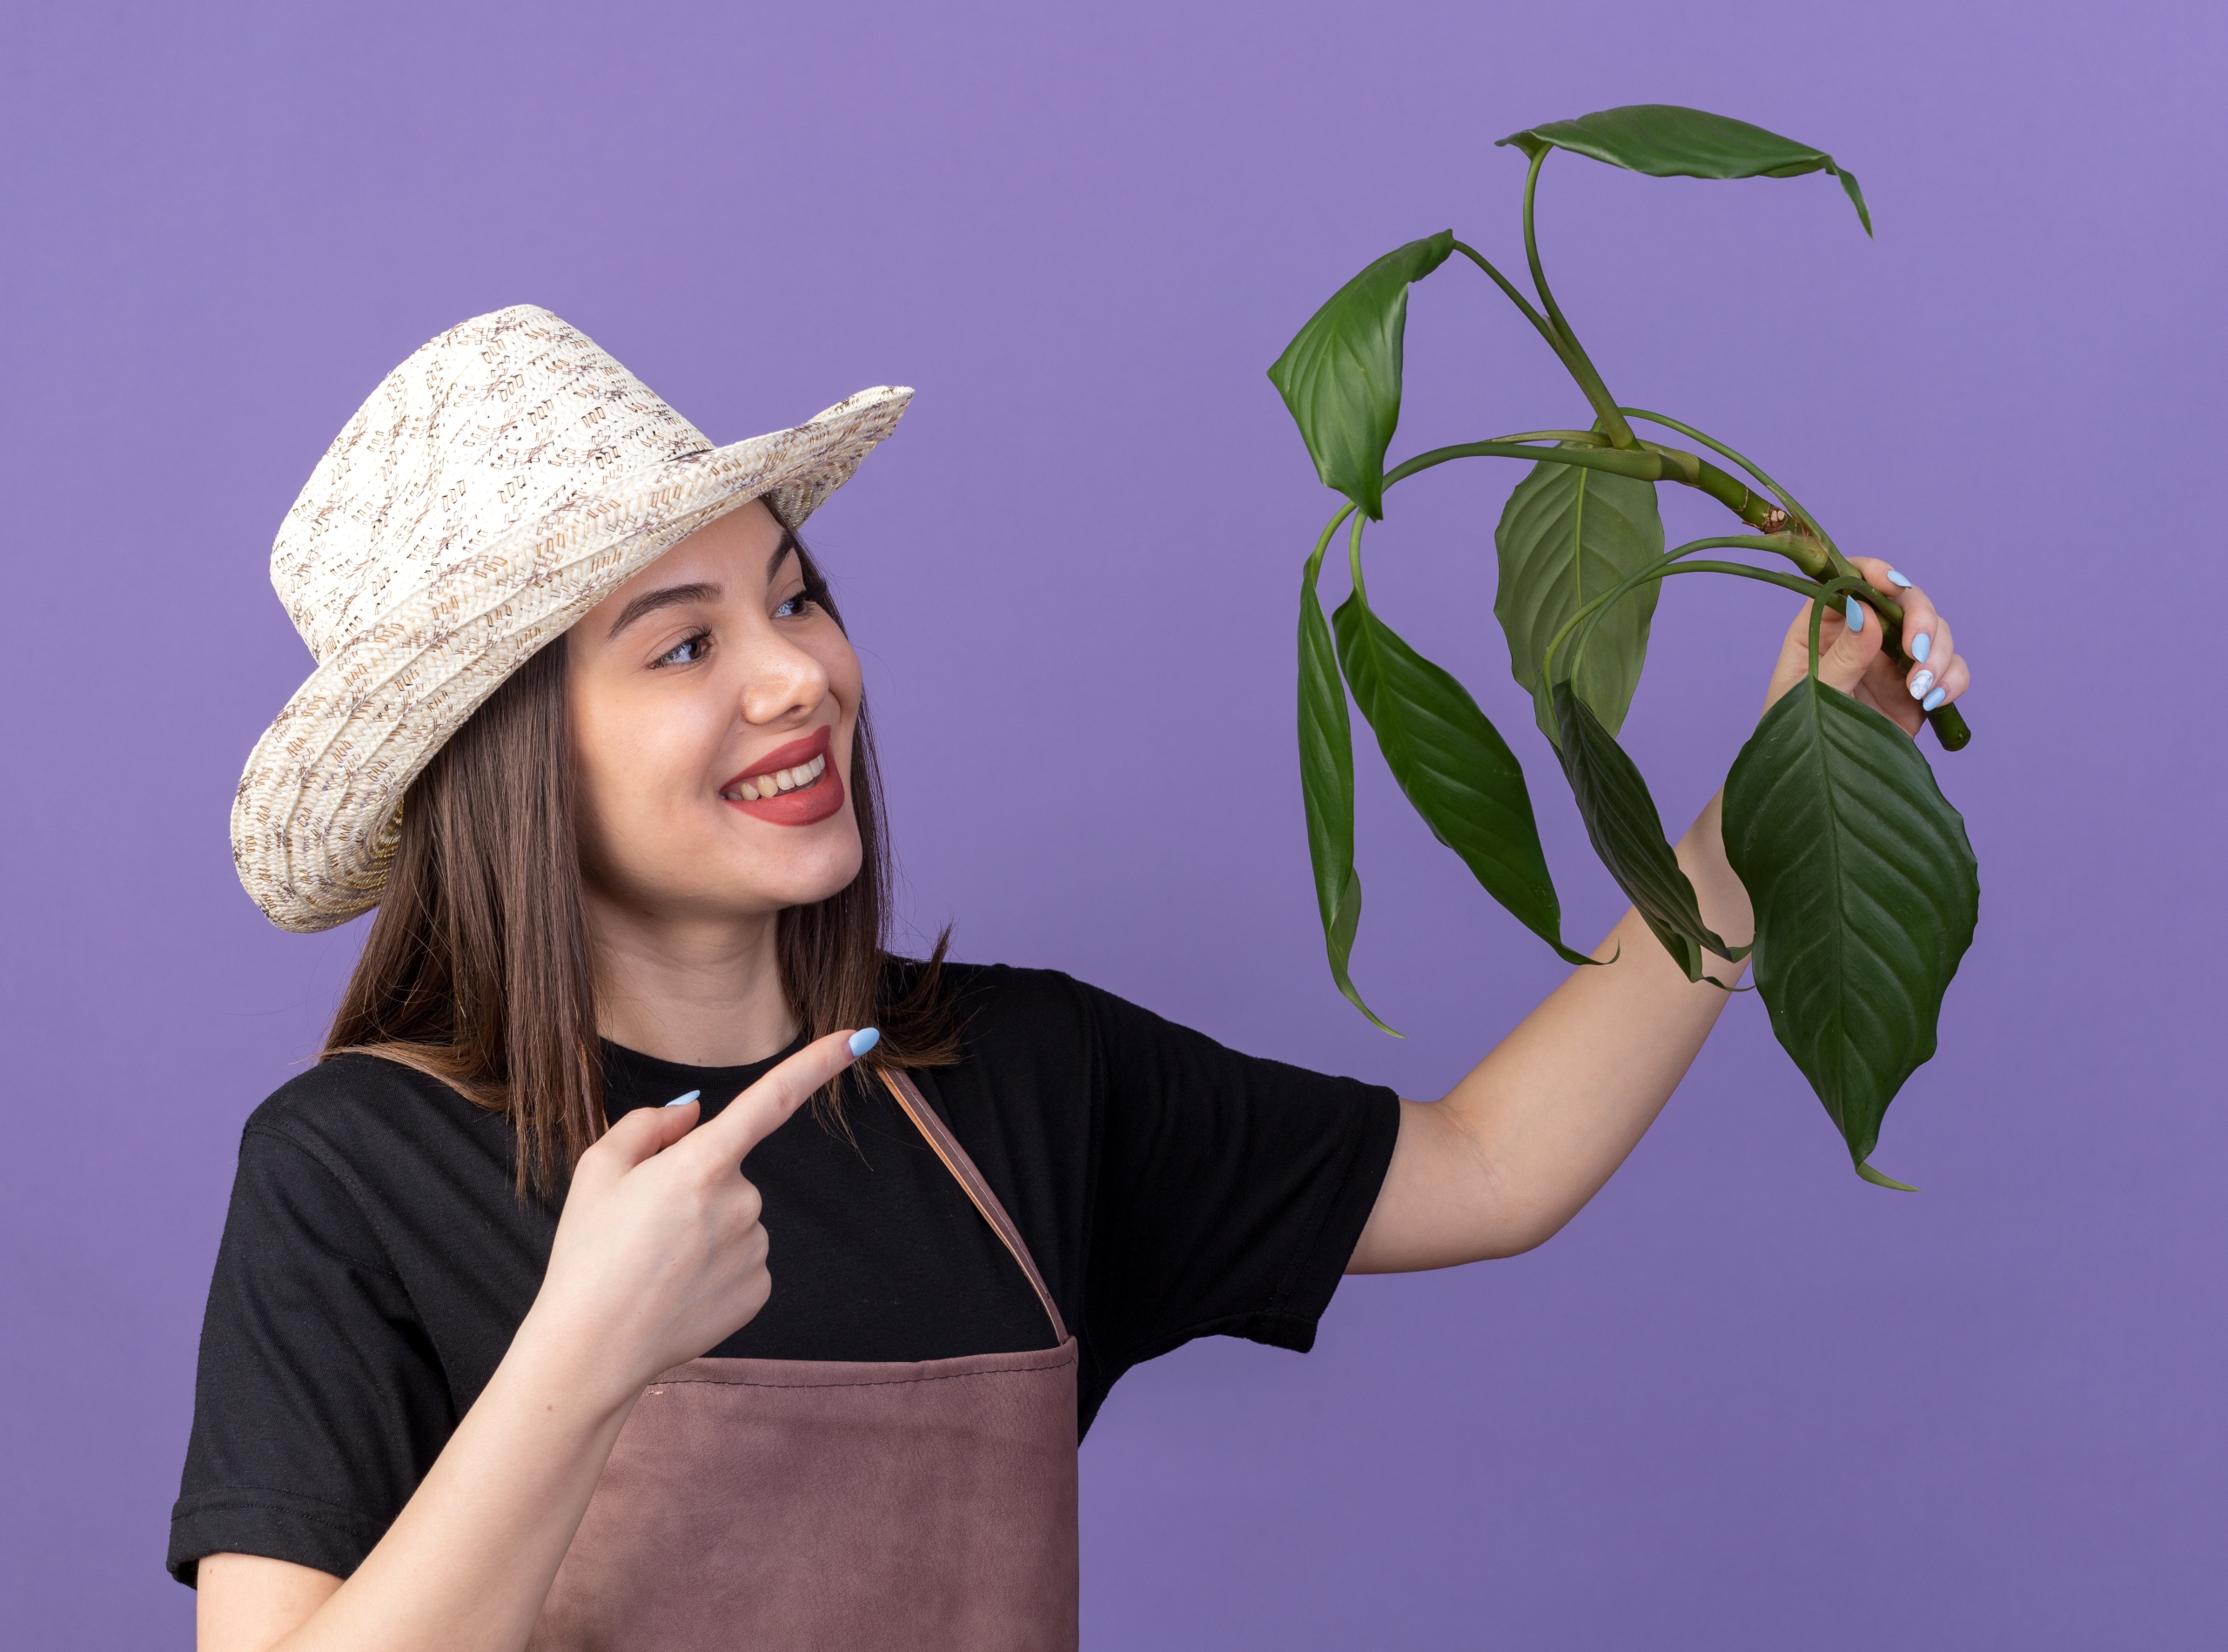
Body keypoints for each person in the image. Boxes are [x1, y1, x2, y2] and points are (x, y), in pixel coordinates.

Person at [175, 306, 1970, 1652]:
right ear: (511, 765)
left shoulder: (1011, 1079)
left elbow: (1496, 1165)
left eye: (795, 600)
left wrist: (1773, 803)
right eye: (684, 646)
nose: (797, 677)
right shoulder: (350, 1172)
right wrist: (582, 1352)